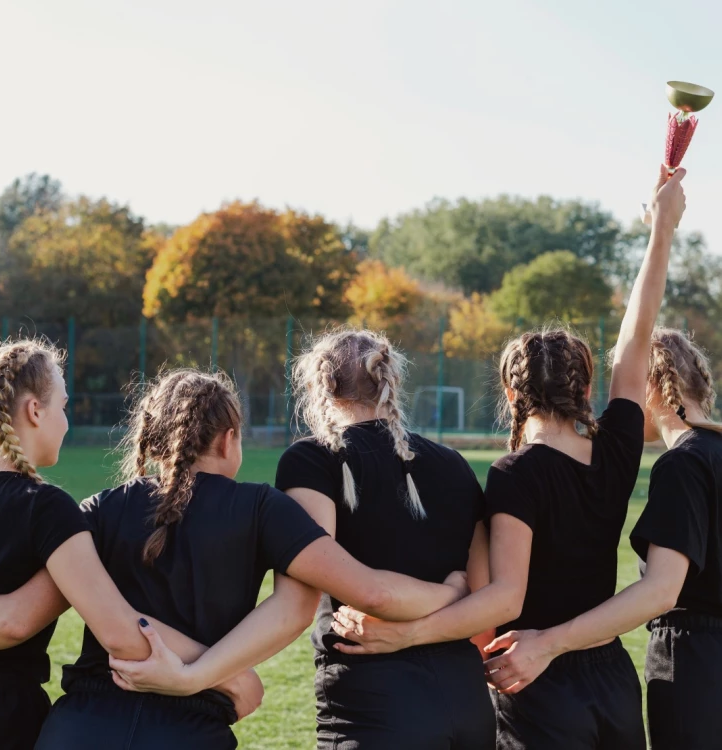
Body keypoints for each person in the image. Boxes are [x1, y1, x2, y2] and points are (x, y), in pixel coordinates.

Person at [18, 368, 468, 749]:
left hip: (79, 725)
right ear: (229, 439)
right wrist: (451, 592)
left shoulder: (97, 508)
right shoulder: (261, 507)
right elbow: (370, 593)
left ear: (151, 437)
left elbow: (25, 612)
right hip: (190, 729)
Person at [468, 165, 686, 750]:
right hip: (612, 678)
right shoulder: (617, 445)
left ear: (512, 394)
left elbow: (503, 599)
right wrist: (661, 230)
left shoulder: (513, 475)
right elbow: (637, 338)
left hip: (533, 677)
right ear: (585, 389)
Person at [0, 340, 241, 750]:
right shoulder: (46, 508)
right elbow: (109, 628)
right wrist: (231, 677)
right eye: (63, 406)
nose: (65, 421)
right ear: (34, 411)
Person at [273, 328, 526, 749]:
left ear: (323, 386)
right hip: (466, 703)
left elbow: (345, 584)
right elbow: (482, 598)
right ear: (391, 380)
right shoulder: (454, 465)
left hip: (373, 704)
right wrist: (451, 593)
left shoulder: (310, 460)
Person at [485, 328, 722, 750]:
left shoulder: (683, 464)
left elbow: (661, 592)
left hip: (693, 666)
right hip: (614, 681)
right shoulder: (646, 455)